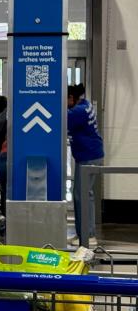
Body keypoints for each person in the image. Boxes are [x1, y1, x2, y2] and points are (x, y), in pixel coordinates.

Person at [67, 83, 104, 241]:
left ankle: (88, 236)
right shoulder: (85, 104)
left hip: (89, 156)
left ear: (71, 98)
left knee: (82, 195)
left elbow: (60, 122)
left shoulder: (78, 112)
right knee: (82, 195)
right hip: (90, 154)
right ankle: (84, 233)